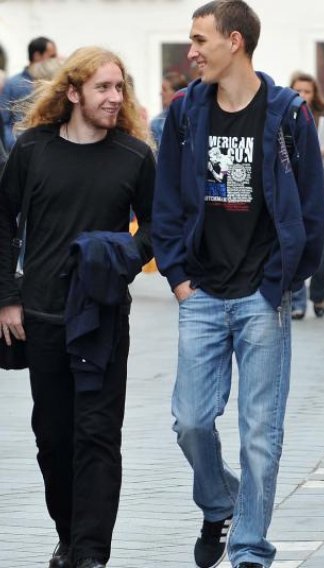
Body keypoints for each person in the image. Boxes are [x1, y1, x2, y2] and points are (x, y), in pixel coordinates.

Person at [151, 2, 324, 567]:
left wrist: (282, 283)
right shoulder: (184, 113)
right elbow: (167, 202)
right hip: (200, 293)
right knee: (191, 422)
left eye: (199, 40)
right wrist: (178, 277)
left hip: (260, 297)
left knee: (260, 433)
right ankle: (219, 500)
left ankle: (249, 546)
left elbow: (312, 210)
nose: (191, 51)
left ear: (234, 41)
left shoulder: (288, 114)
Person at [0, 46, 154, 568]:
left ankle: (90, 554)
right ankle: (69, 537)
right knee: (53, 440)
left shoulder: (134, 156)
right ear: (73, 92)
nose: (115, 98)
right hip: (40, 317)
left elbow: (158, 227)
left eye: (120, 89)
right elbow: (3, 223)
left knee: (97, 436)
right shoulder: (32, 150)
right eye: (104, 89)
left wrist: (124, 255)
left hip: (103, 319)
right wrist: (6, 299)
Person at [289, 70, 324, 319]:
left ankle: (318, 294)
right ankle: (297, 300)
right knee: (294, 241)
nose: (302, 95)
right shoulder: (285, 116)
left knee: (318, 242)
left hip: (322, 185)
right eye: (298, 90)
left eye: (307, 91)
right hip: (294, 186)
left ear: (314, 93)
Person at [0, 36, 58, 150]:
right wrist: (15, 145)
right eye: (51, 56)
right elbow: (4, 120)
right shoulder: (12, 84)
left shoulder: (55, 80)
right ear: (37, 55)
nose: (55, 59)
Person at [150, 71, 189, 148]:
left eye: (164, 89)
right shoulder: (156, 122)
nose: (161, 93)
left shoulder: (194, 117)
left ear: (177, 92)